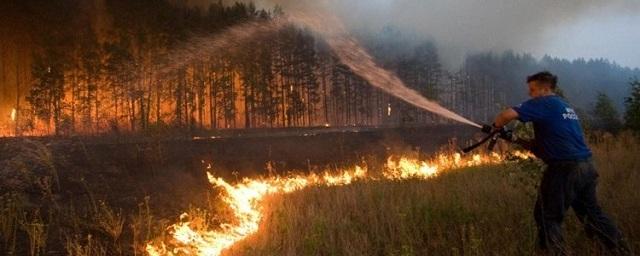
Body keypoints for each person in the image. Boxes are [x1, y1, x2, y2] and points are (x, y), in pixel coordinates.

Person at [492, 71, 630, 255]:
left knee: (547, 216)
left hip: (565, 168)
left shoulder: (544, 102)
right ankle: (621, 250)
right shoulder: (564, 106)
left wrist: (495, 127)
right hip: (586, 166)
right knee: (592, 215)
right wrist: (514, 138)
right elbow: (545, 145)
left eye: (532, 90)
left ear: (545, 88)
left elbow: (505, 115)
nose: (530, 94)